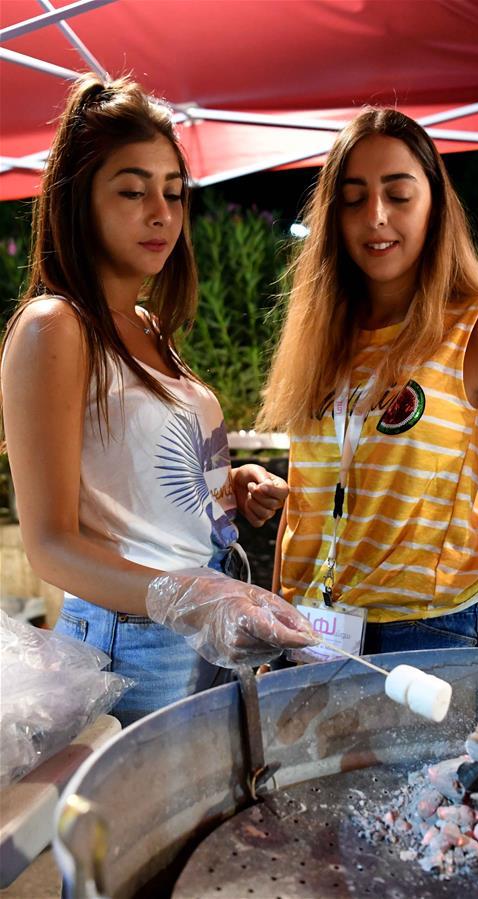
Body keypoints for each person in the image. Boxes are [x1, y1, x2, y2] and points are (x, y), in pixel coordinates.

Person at [0, 74, 315, 725]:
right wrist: (187, 593)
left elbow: (141, 487)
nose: (160, 213)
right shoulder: (54, 326)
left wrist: (229, 483)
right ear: (78, 199)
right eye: (132, 191)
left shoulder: (148, 327)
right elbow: (51, 544)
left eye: (173, 193)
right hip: (132, 644)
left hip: (205, 624)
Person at [258, 107, 478, 656]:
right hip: (308, 631)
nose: (376, 215)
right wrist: (277, 623)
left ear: (435, 205)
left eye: (398, 195)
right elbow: (309, 502)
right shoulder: (321, 330)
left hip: (427, 635)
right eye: (353, 199)